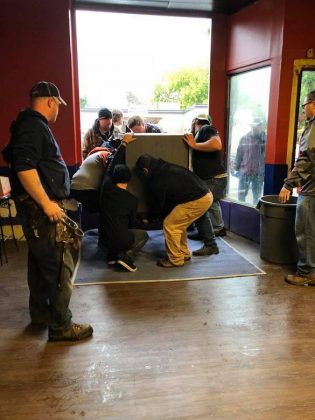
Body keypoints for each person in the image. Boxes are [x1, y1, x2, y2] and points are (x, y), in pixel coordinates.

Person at [2, 81, 93, 342]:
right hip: (41, 209)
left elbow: (15, 157)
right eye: (59, 106)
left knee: (41, 263)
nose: (58, 111)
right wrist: (46, 203)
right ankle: (61, 325)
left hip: (34, 210)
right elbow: (24, 166)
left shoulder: (25, 124)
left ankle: (41, 313)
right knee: (58, 264)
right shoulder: (33, 125)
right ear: (51, 101)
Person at [136, 154, 214, 267]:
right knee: (178, 224)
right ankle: (183, 253)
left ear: (145, 170)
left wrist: (150, 218)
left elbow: (158, 203)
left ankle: (175, 259)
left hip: (198, 199)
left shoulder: (157, 178)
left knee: (170, 225)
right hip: (204, 194)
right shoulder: (164, 168)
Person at [279, 90, 315, 286]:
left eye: (304, 105)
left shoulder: (314, 128)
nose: (304, 109)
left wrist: (288, 183)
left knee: (306, 230)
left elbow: (307, 159)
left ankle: (307, 271)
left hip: (312, 191)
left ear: (313, 104)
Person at [183, 113, 226, 253]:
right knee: (209, 205)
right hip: (212, 178)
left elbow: (217, 144)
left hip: (213, 178)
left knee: (201, 207)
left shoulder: (205, 129)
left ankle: (211, 244)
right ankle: (208, 233)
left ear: (196, 122)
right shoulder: (200, 134)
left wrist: (194, 145)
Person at [99, 164, 149, 272]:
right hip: (119, 241)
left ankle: (112, 256)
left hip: (103, 241)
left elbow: (109, 168)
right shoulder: (132, 200)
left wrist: (123, 146)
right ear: (129, 179)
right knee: (143, 235)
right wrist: (145, 222)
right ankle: (126, 257)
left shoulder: (105, 189)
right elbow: (132, 224)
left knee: (113, 229)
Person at [234, 117, 266, 205]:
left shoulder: (265, 139)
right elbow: (239, 153)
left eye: (257, 126)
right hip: (244, 172)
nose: (254, 128)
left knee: (257, 197)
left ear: (261, 127)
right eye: (253, 126)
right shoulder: (244, 138)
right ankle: (241, 214)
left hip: (258, 174)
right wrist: (236, 167)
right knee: (241, 197)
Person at [70, 148, 111, 213]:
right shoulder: (106, 155)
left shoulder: (94, 156)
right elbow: (109, 174)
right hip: (87, 190)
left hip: (74, 187)